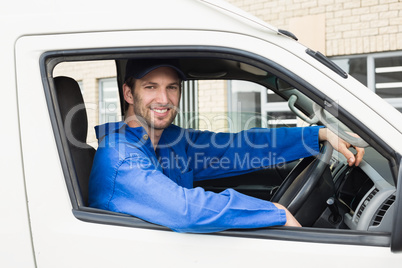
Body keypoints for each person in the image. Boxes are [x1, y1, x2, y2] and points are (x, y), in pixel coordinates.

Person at [88, 59, 364, 233]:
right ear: (128, 93)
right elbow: (185, 210)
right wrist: (275, 212)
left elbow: (239, 147)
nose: (164, 98)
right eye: (150, 87)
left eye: (172, 87)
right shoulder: (119, 156)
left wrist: (319, 135)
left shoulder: (170, 141)